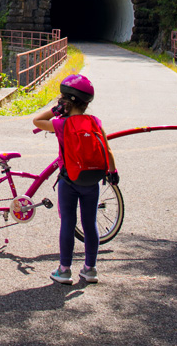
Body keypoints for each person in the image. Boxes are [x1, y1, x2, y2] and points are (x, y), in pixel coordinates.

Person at [33, 74, 118, 284]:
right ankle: (90, 269)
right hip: (92, 180)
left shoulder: (62, 124)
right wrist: (113, 172)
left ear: (67, 101)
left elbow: (37, 121)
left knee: (68, 225)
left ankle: (64, 270)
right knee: (90, 225)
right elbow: (107, 149)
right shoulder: (94, 121)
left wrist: (55, 109)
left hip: (69, 181)